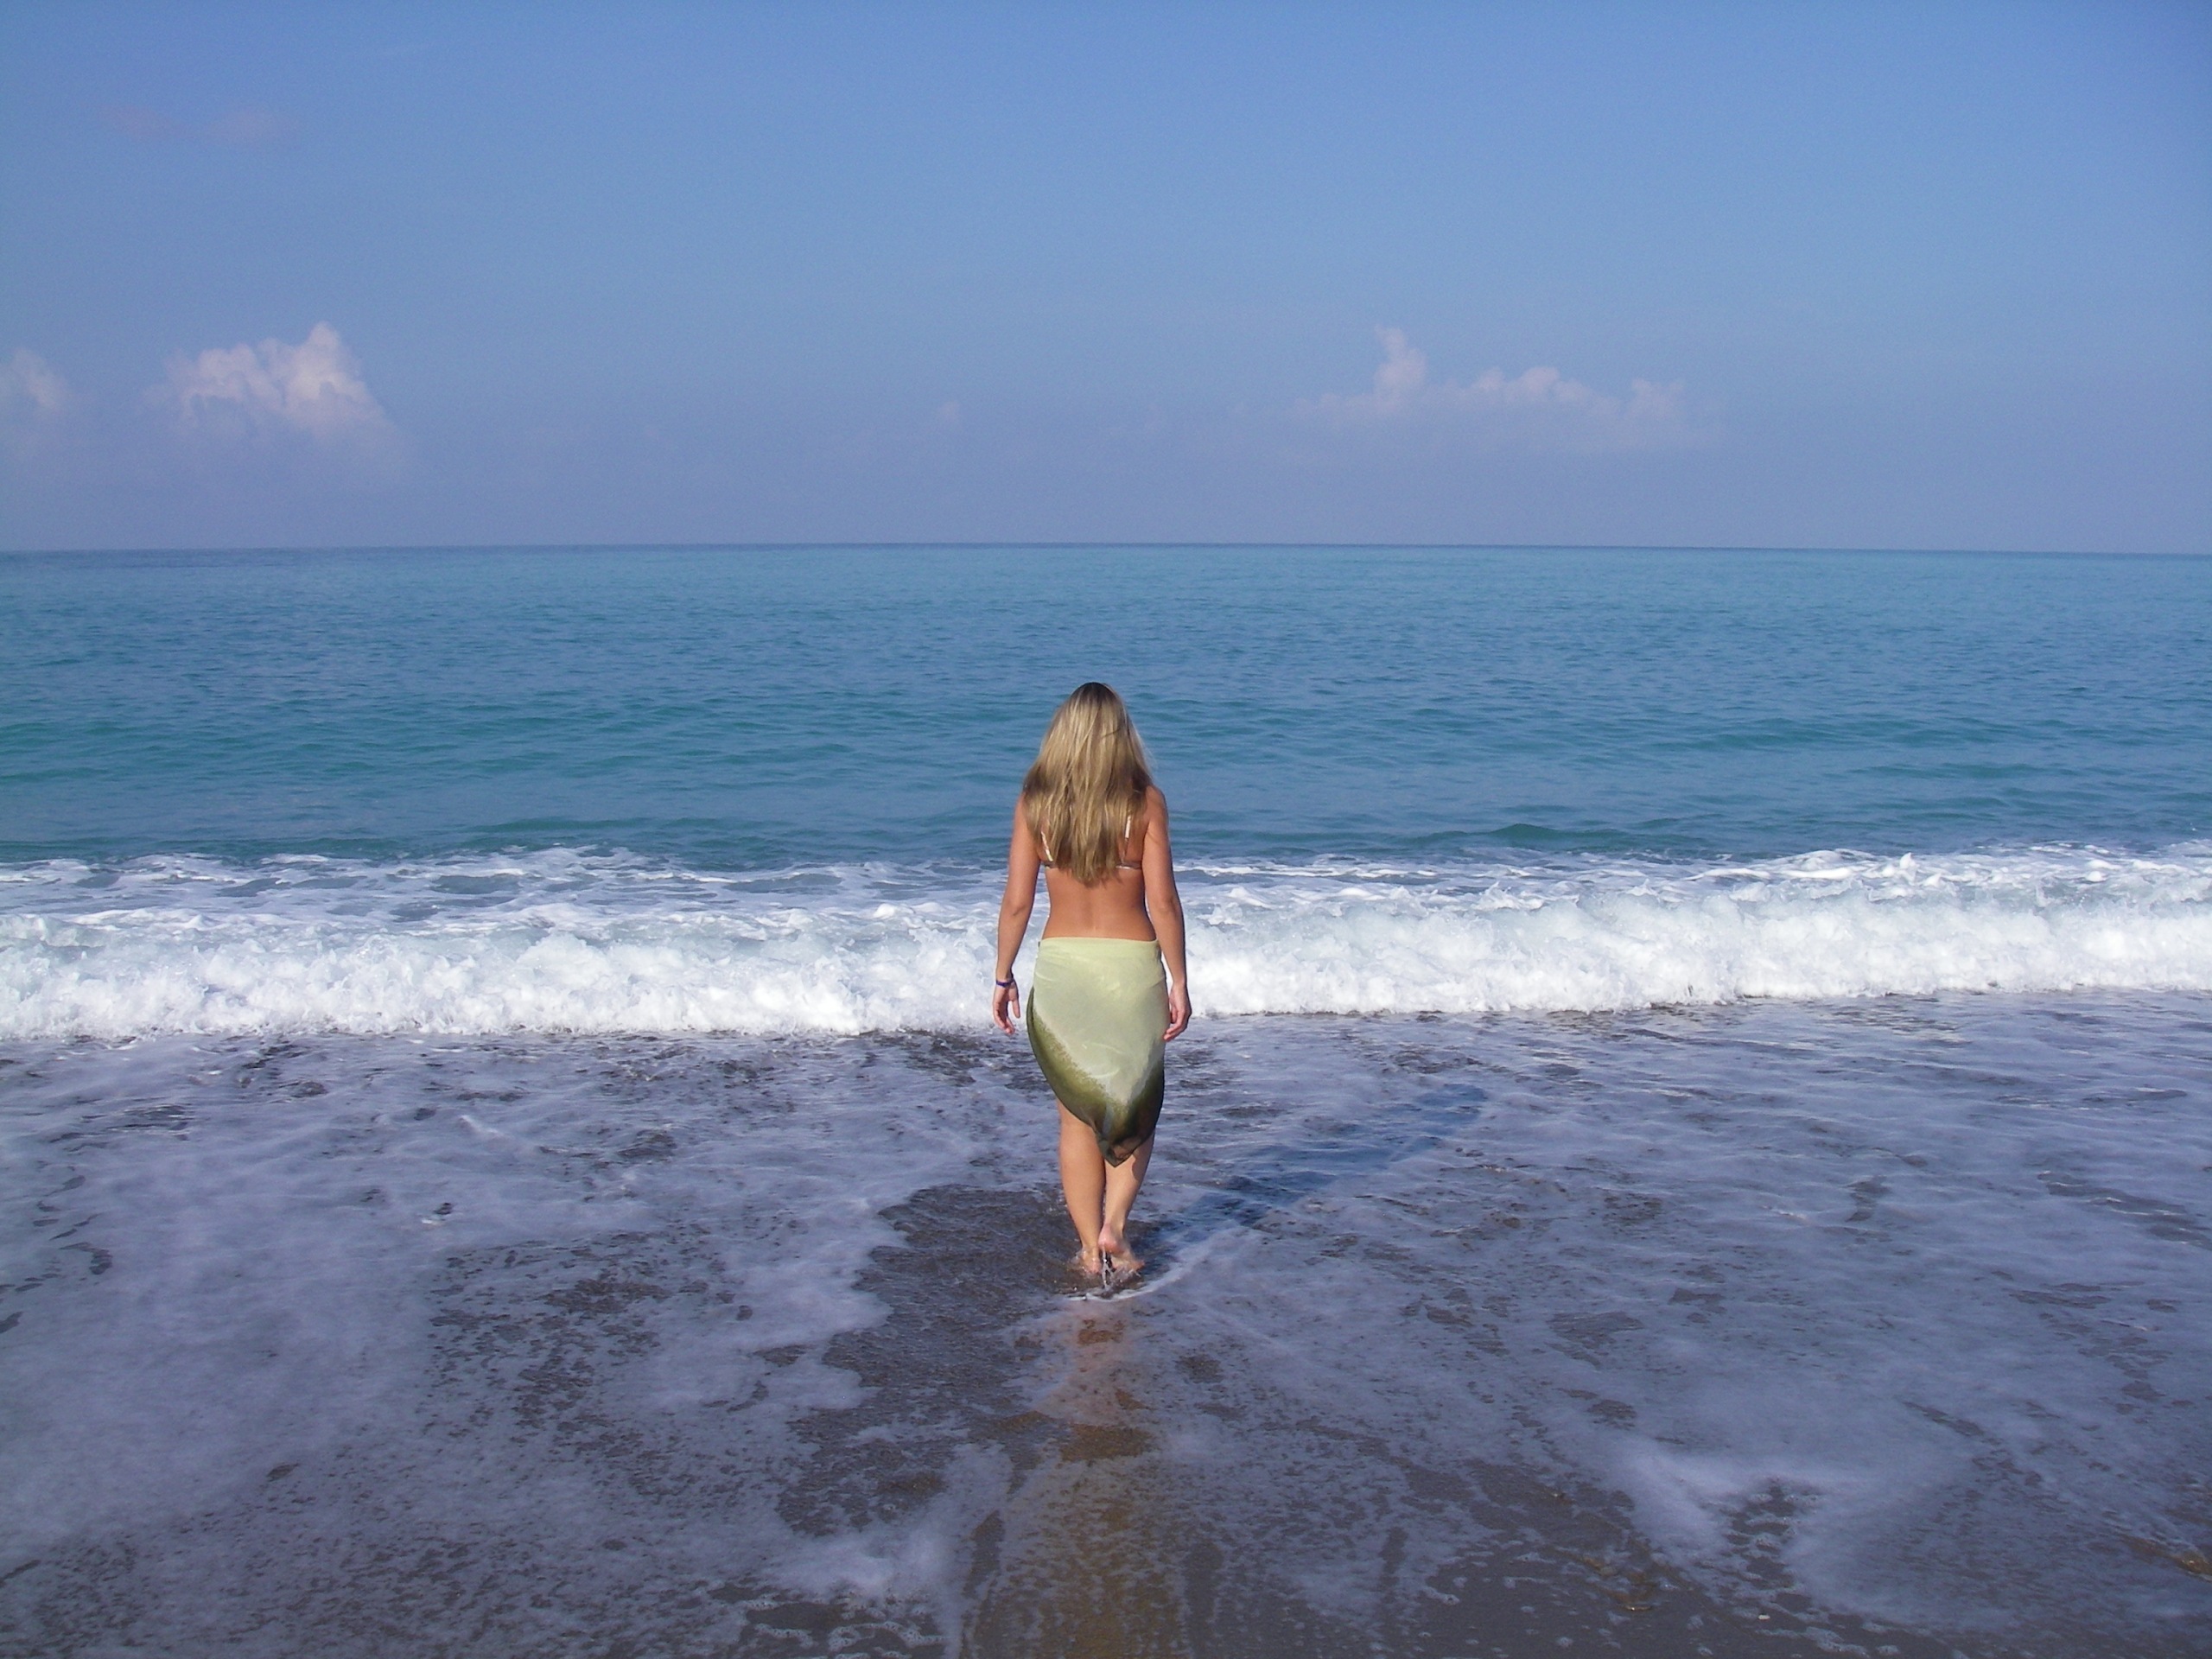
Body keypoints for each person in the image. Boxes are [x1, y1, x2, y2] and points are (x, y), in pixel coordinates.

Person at [993, 683, 1192, 1281]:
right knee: (1138, 1107)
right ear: (1121, 735)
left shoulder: (1036, 804)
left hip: (1063, 971)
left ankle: (1086, 1247)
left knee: (1076, 1116)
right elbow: (1163, 901)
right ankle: (1116, 1228)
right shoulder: (1145, 803)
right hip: (1130, 969)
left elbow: (1017, 903)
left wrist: (1003, 975)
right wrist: (1180, 980)